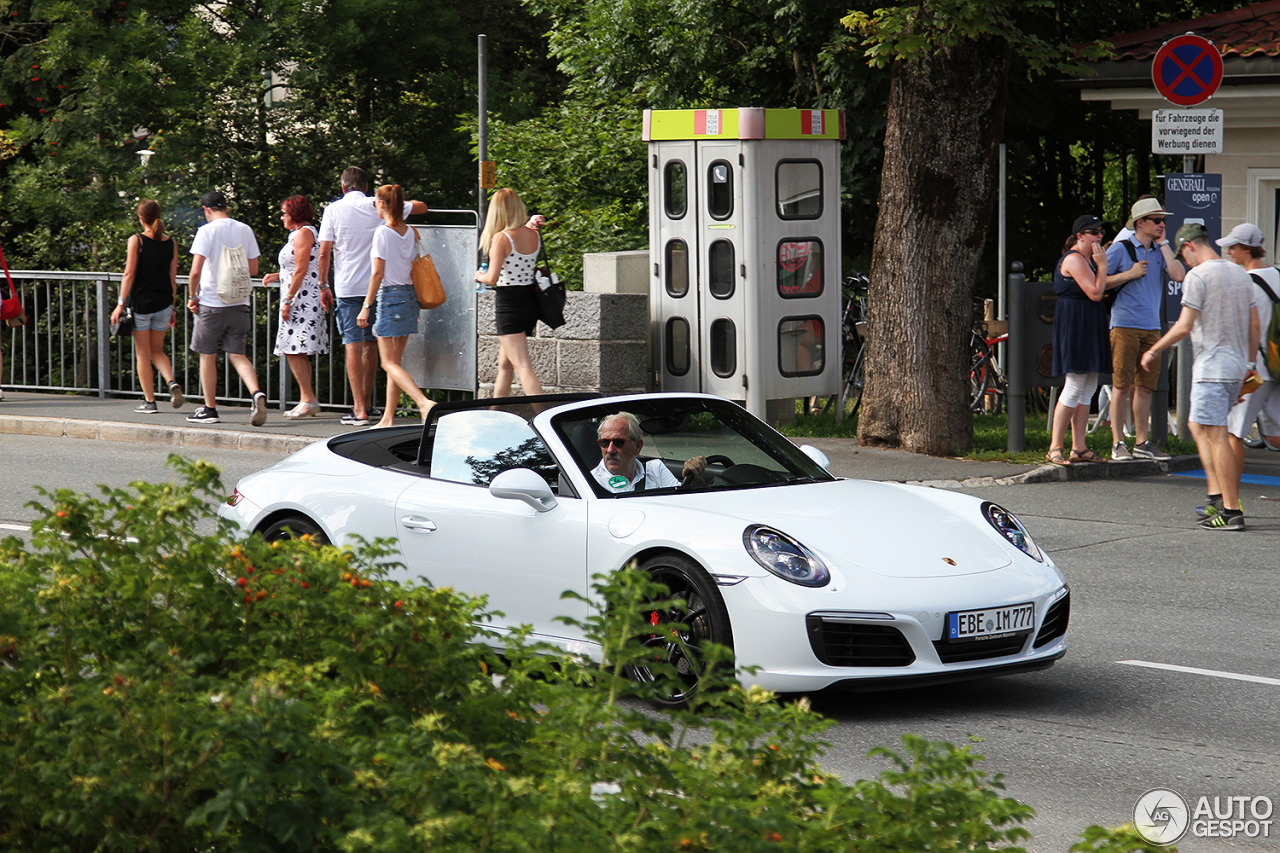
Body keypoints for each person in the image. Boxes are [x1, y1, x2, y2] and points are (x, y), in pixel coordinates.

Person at [1140, 223, 1258, 530]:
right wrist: (1249, 366)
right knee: (1196, 425)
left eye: (1183, 254)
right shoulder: (1240, 274)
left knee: (1216, 434)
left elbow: (1184, 325)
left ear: (1189, 246)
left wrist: (1154, 350)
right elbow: (1254, 325)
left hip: (1212, 367)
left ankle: (1230, 510)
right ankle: (1216, 495)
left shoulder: (1199, 276)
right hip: (1235, 366)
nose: (1184, 261)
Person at [317, 167, 427, 426]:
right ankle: (370, 404)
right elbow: (421, 207)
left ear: (343, 187)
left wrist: (324, 285)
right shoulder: (376, 205)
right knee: (373, 347)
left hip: (347, 287)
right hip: (380, 289)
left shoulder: (333, 210)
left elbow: (324, 252)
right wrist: (403, 203)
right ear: (365, 186)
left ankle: (359, 410)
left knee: (352, 344)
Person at [1105, 197, 1186, 460]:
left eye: (1163, 220)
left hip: (1151, 327)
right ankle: (1118, 443)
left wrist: (1163, 244)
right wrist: (1128, 274)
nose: (1162, 224)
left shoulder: (1159, 250)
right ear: (1141, 223)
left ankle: (1142, 441)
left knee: (1145, 387)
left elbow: (1178, 274)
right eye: (1156, 220)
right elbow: (1099, 281)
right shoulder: (1120, 249)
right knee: (1121, 385)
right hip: (1125, 324)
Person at [355, 184, 434, 427]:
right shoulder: (409, 231)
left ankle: (423, 402)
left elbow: (377, 274)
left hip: (389, 297)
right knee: (395, 364)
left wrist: (366, 305)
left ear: (382, 204)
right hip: (410, 297)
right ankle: (388, 418)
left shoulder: (382, 233)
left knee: (387, 363)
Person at [185, 190, 266, 426]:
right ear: (226, 207)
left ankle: (210, 409)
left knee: (207, 356)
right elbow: (253, 269)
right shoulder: (244, 229)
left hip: (212, 302)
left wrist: (192, 296)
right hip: (239, 302)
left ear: (206, 209)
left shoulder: (206, 231)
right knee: (238, 355)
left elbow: (196, 271)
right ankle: (255, 393)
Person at [1217, 223, 1280, 508]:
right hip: (1277, 366)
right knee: (1275, 435)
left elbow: (1246, 328)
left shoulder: (1247, 282)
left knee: (1233, 433)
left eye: (1234, 246)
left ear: (1247, 249)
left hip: (1256, 369)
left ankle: (1229, 500)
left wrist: (1245, 365)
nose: (1229, 251)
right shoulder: (1278, 274)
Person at [1046, 215, 1112, 465]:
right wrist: (1103, 265)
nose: (1099, 236)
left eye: (1101, 232)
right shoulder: (1074, 259)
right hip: (1076, 324)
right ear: (1079, 236)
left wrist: (1100, 265)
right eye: (1093, 232)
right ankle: (1055, 446)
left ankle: (1079, 446)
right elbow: (1096, 292)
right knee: (1074, 385)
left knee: (1089, 386)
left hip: (1090, 322)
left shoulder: (1089, 259)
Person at [110, 199, 185, 414]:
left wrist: (120, 304)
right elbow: (173, 278)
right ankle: (171, 382)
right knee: (157, 351)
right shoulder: (171, 243)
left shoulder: (137, 241)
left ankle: (150, 402)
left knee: (143, 354)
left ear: (140, 218)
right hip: (163, 304)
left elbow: (129, 274)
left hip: (142, 305)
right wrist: (172, 307)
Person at [474, 188, 547, 400]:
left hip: (509, 305)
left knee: (523, 367)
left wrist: (479, 275)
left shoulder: (502, 238)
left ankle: (544, 417)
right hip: (529, 302)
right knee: (505, 365)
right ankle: (495, 414)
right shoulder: (534, 234)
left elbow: (492, 278)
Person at [263, 195, 329, 419]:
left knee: (294, 349)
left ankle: (308, 399)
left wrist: (288, 299)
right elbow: (300, 268)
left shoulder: (303, 234)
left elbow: (302, 270)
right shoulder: (302, 233)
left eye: (284, 212)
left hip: (302, 299)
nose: (282, 217)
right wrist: (278, 275)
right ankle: (307, 398)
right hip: (302, 296)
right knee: (296, 350)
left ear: (295, 214)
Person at [590, 412, 707, 493]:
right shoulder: (591, 482)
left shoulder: (656, 469)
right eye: (604, 442)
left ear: (638, 446)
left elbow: (683, 501)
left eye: (618, 442)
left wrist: (696, 477)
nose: (610, 450)